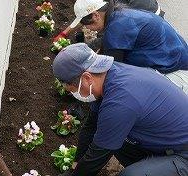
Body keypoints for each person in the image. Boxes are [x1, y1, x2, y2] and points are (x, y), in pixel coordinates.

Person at [53, 43, 188, 176]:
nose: (75, 95)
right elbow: (91, 127)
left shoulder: (120, 101)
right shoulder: (107, 76)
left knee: (129, 174)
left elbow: (97, 156)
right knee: (113, 139)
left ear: (87, 78)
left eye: (73, 90)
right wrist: (76, 163)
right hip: (168, 141)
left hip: (183, 154)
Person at [69, 0, 188, 93]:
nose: (86, 28)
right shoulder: (120, 14)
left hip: (176, 74)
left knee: (127, 92)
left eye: (85, 24)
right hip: (175, 59)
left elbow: (110, 75)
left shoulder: (116, 29)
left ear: (95, 16)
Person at [53, 0, 164, 42]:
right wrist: (65, 33)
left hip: (153, 19)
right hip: (147, 12)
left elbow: (114, 28)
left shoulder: (115, 1)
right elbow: (86, 15)